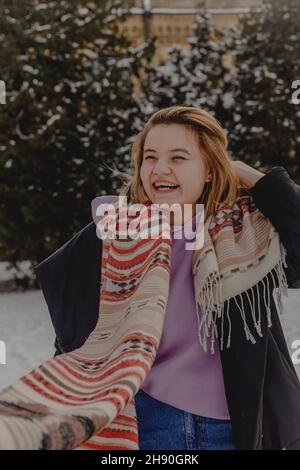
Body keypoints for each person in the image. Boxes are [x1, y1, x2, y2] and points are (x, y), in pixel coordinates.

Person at [1, 106, 300, 450]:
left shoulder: (246, 233)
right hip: (144, 423)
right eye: (150, 157)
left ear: (208, 168)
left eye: (179, 157)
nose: (160, 168)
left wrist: (248, 174)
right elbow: (75, 336)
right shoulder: (110, 235)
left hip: (238, 424)